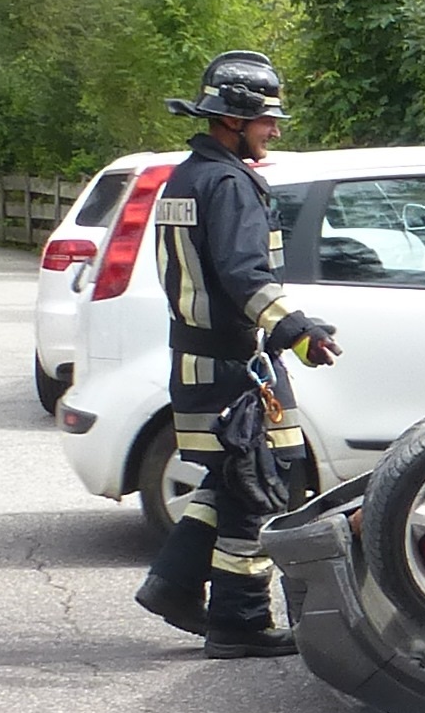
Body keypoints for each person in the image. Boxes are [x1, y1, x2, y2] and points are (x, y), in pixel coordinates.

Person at [134, 50, 342, 656]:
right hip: (234, 368)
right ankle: (240, 622)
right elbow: (243, 277)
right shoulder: (228, 183)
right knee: (259, 489)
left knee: (231, 481)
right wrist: (298, 331)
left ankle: (173, 585)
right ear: (231, 120)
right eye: (265, 120)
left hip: (198, 363)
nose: (274, 130)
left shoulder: (187, 177)